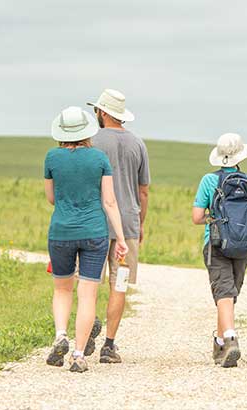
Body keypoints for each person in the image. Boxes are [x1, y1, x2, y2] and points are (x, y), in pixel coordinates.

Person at [43, 106, 129, 373]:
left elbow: (51, 198)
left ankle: (60, 336)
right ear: (87, 131)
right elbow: (110, 202)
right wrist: (122, 238)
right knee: (88, 294)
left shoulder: (52, 158)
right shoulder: (99, 159)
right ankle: (79, 354)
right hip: (94, 232)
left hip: (61, 232)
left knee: (62, 289)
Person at [192, 133, 247, 368]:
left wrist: (214, 219)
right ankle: (220, 341)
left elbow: (196, 217)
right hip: (243, 244)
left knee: (222, 292)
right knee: (229, 294)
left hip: (216, 243)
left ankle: (230, 339)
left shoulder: (208, 180)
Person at [87, 88, 150, 364]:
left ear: (101, 112)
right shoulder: (138, 144)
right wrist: (140, 223)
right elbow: (144, 190)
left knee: (89, 281)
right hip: (128, 224)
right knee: (119, 285)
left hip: (95, 223)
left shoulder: (91, 142)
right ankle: (109, 345)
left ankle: (87, 327)